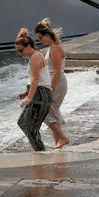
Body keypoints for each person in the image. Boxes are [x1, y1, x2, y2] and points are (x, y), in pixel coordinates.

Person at [15, 28, 52, 152]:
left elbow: (36, 79)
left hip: (41, 95)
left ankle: (41, 152)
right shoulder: (34, 56)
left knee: (31, 128)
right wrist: (26, 92)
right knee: (22, 122)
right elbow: (38, 79)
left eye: (21, 50)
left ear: (29, 45)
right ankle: (40, 150)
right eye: (18, 51)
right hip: (38, 93)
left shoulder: (36, 57)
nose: (20, 54)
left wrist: (30, 97)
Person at [35, 18, 70, 149]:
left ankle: (63, 138)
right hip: (58, 82)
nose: (40, 40)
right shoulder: (54, 47)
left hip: (56, 83)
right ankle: (58, 142)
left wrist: (49, 89)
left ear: (46, 35)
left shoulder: (55, 49)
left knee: (43, 110)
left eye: (40, 38)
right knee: (53, 110)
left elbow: (56, 72)